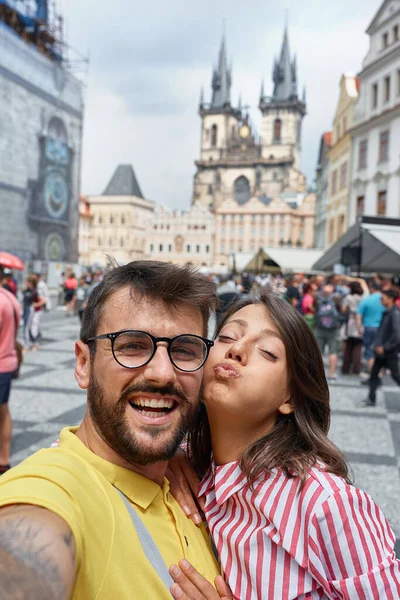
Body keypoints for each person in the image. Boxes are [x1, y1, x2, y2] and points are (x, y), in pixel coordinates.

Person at [0, 260, 220, 598]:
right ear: (84, 363)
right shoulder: (55, 487)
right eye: (132, 346)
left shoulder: (204, 483)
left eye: (185, 350)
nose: (163, 373)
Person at [167, 293, 400, 600]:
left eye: (267, 352)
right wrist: (169, 454)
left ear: (290, 398)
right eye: (226, 337)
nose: (236, 350)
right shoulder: (191, 470)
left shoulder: (325, 505)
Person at [362, 288, 400, 407]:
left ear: (390, 299)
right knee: (374, 375)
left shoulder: (394, 313)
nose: (380, 300)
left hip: (388, 351)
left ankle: (371, 399)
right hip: (381, 350)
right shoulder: (387, 312)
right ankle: (371, 399)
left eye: (383, 298)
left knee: (396, 375)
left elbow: (397, 334)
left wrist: (385, 347)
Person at [0, 279, 20, 475]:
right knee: (3, 410)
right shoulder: (11, 298)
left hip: (1, 363)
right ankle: (4, 458)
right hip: (8, 360)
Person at [356, 280, 386, 379]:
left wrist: (359, 328)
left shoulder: (367, 300)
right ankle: (379, 374)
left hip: (368, 327)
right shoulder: (384, 300)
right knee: (379, 351)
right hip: (382, 328)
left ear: (372, 288)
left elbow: (358, 315)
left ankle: (373, 375)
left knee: (369, 351)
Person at [314, 283, 341, 381]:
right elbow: (340, 310)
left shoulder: (317, 298)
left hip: (320, 328)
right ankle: (331, 374)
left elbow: (315, 310)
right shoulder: (336, 298)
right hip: (333, 329)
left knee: (317, 352)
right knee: (333, 352)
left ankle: (316, 374)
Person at [340, 280, 365, 375]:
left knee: (348, 346)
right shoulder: (363, 298)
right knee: (358, 347)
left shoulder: (348, 297)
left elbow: (343, 309)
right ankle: (356, 368)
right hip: (360, 322)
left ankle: (345, 368)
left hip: (350, 322)